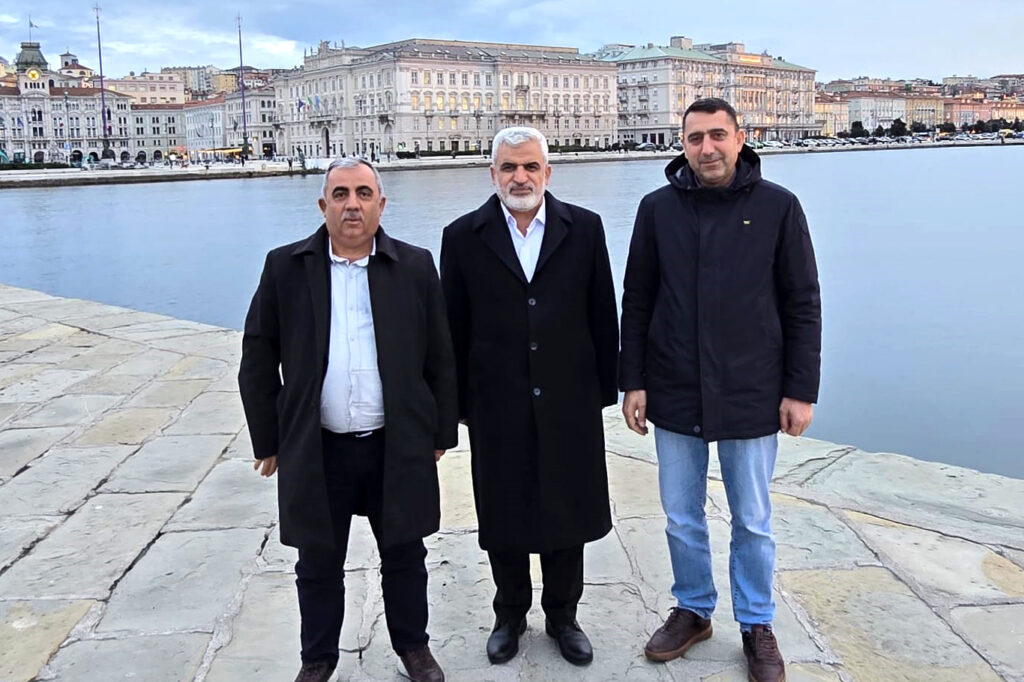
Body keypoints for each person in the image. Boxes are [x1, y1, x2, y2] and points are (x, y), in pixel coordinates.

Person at [619, 98, 821, 682]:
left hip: (752, 387)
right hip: (675, 384)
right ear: (682, 144)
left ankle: (757, 622)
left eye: (717, 136)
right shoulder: (657, 209)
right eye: (695, 138)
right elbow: (638, 299)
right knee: (681, 515)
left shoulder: (778, 207)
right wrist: (633, 380)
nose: (706, 148)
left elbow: (802, 302)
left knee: (752, 517)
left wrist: (800, 389)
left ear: (740, 138)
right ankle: (693, 609)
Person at [239, 157, 458, 682]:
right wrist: (269, 440)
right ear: (323, 206)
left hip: (394, 441)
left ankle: (414, 648)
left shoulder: (415, 266)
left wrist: (440, 432)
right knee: (317, 561)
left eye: (363, 194)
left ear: (381, 204)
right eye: (340, 195)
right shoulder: (285, 267)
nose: (352, 205)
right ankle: (317, 659)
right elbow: (258, 354)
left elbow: (440, 355)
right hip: (319, 445)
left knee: (405, 552)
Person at [440, 127, 619, 667]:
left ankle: (564, 615)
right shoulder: (462, 236)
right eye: (509, 167)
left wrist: (601, 391)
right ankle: (510, 613)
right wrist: (458, 405)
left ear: (547, 172)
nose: (520, 177)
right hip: (496, 400)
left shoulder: (584, 228)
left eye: (530, 166)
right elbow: (452, 327)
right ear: (492, 174)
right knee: (504, 508)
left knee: (569, 506)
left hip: (568, 397)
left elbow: (602, 312)